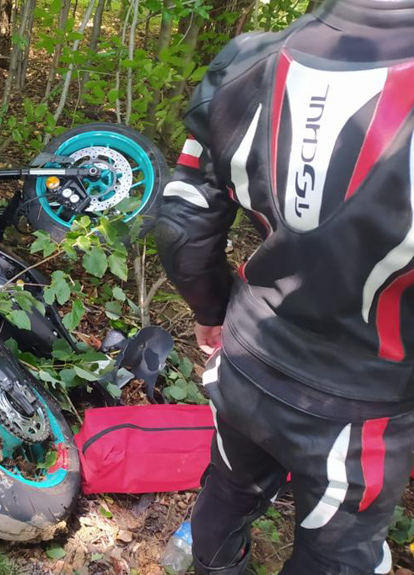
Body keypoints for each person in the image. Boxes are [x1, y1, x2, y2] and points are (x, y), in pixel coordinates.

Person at [153, 0, 414, 573]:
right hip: (362, 405)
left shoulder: (250, 60)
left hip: (248, 356)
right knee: (336, 556)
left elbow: (180, 221)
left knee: (228, 488)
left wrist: (211, 307)